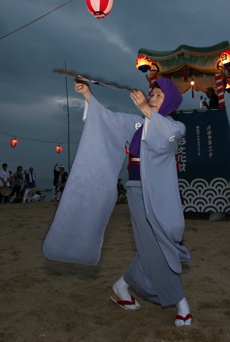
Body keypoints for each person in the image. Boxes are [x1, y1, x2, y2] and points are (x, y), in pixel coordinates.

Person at [43, 78, 192, 327]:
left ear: (171, 102)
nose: (152, 98)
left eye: (158, 95)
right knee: (155, 246)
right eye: (151, 94)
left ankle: (122, 286)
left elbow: (165, 136)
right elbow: (108, 121)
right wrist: (89, 95)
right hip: (137, 191)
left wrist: (146, 108)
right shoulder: (136, 124)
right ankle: (180, 303)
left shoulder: (176, 127)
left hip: (162, 195)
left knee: (160, 242)